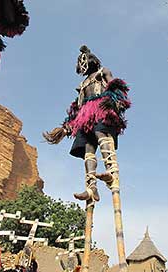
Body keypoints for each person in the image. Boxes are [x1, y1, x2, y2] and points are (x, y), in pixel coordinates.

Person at [44, 45, 131, 202]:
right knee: (87, 148)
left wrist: (114, 101)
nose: (82, 66)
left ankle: (110, 172)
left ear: (92, 61)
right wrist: (66, 128)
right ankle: (91, 188)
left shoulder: (103, 72)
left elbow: (115, 87)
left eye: (84, 62)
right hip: (85, 117)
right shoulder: (82, 85)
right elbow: (77, 107)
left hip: (101, 110)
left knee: (100, 133)